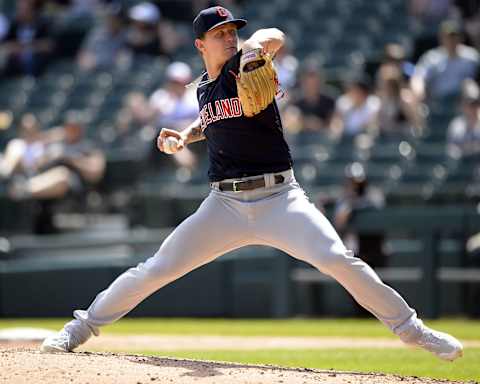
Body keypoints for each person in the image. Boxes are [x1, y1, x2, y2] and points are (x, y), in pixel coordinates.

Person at [41, 6, 463, 362]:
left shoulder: (251, 62)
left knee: (338, 259)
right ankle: (78, 330)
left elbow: (274, 33)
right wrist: (186, 135)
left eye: (231, 31)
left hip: (280, 197)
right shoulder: (205, 88)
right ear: (199, 45)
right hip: (223, 205)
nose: (229, 37)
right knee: (154, 269)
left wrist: (258, 45)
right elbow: (215, 119)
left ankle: (412, 330)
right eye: (219, 33)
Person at [410, 20, 479, 103]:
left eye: (454, 36)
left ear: (461, 37)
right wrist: (418, 90)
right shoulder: (432, 58)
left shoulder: (472, 57)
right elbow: (418, 77)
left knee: (470, 86)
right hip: (438, 101)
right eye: (447, 37)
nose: (451, 40)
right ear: (441, 38)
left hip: (464, 102)